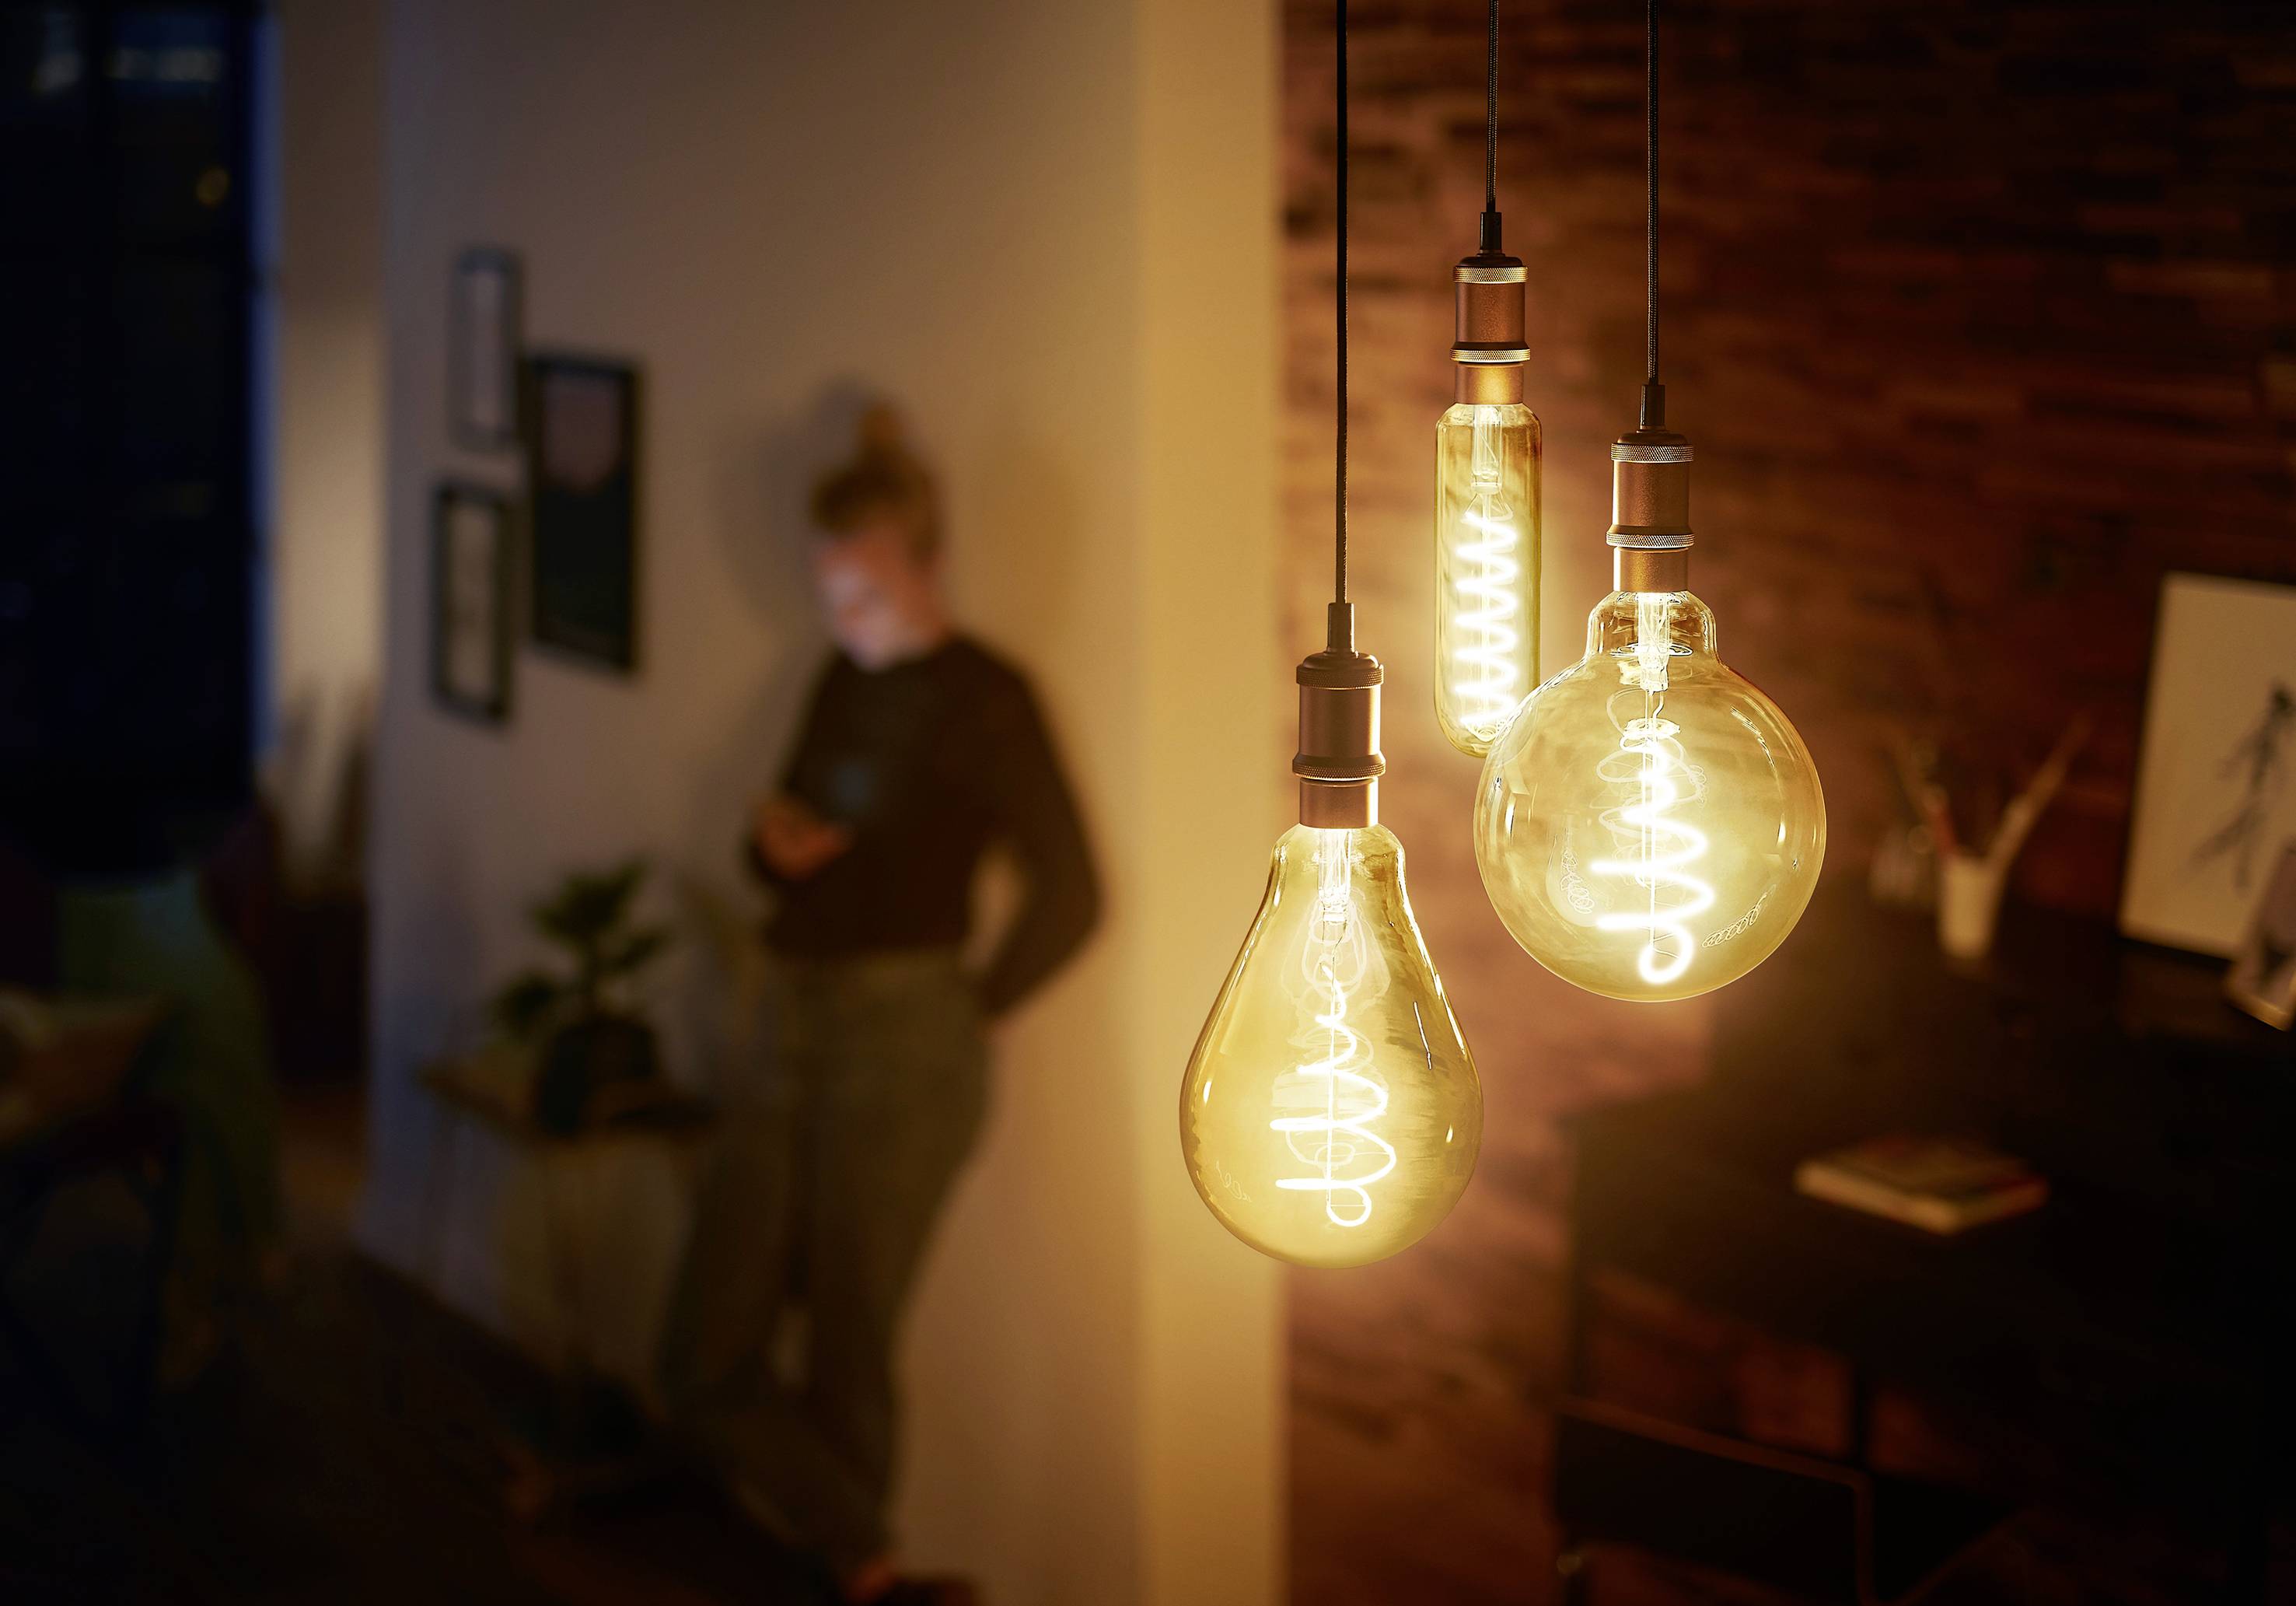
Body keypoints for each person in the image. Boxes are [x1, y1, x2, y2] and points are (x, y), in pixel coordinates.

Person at [661, 408, 1099, 1605]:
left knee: (853, 1340)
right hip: (786, 1012)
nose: (838, 619)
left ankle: (849, 1568)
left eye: (860, 592)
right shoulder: (835, 678)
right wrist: (774, 848)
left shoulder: (988, 698)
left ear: (925, 564)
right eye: (826, 592)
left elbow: (1074, 891)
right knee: (705, 1344)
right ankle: (869, 1556)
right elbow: (787, 840)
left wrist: (971, 1010)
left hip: (904, 1038)